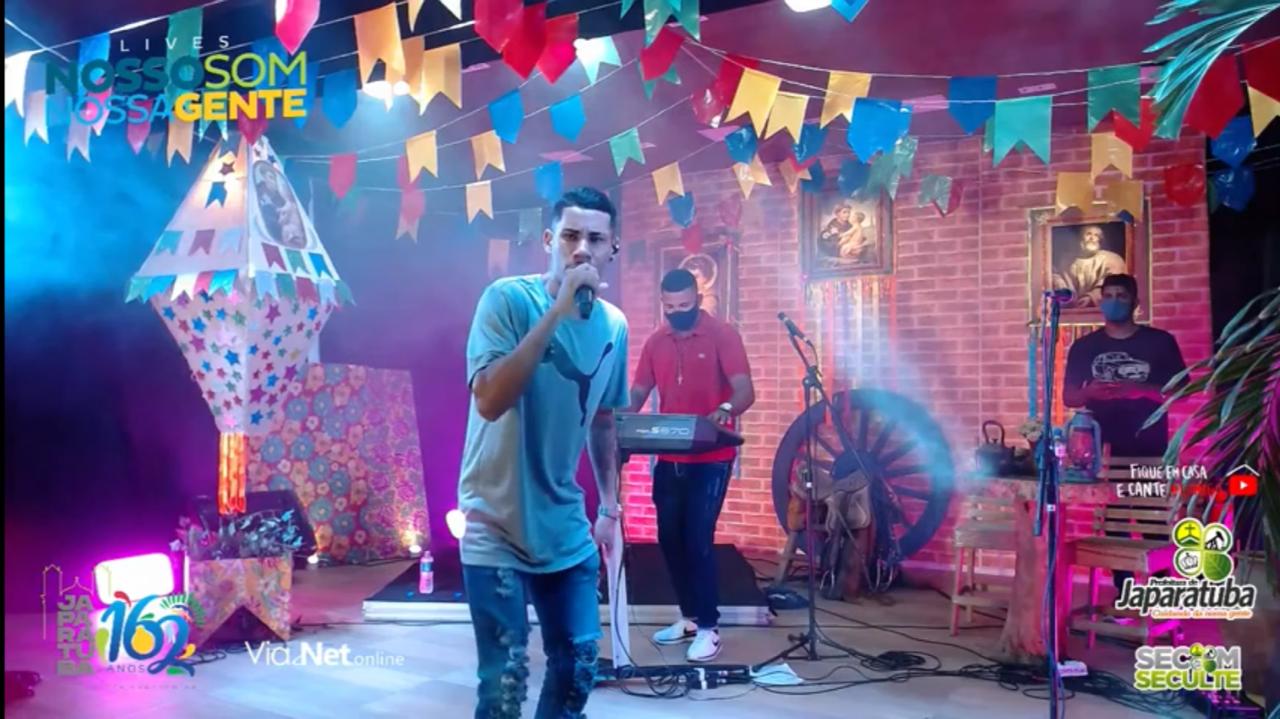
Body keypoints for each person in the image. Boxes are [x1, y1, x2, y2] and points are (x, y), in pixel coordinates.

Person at [457, 187, 628, 719]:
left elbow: (604, 420)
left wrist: (609, 507)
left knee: (578, 668)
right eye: (571, 236)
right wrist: (558, 311)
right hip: (496, 522)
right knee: (504, 685)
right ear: (550, 241)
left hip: (565, 525)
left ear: (612, 249)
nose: (582, 249)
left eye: (595, 238)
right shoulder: (506, 300)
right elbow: (489, 400)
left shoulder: (615, 327)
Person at [628, 269, 755, 662]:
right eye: (669, 307)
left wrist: (725, 408)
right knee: (670, 539)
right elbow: (638, 392)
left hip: (711, 459)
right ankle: (688, 617)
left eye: (684, 305)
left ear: (698, 299)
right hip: (669, 457)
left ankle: (708, 628)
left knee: (698, 539)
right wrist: (617, 418)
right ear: (662, 303)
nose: (676, 312)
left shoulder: (722, 335)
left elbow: (745, 390)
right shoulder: (656, 341)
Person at [1063, 273, 1186, 594]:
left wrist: (1140, 390)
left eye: (1121, 295)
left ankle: (1160, 592)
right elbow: (1069, 398)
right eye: (1108, 296)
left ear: (1135, 302)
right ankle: (1124, 592)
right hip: (1102, 449)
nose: (1114, 302)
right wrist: (1089, 393)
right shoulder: (1084, 347)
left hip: (1149, 446)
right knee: (1114, 522)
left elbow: (1181, 392)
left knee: (1152, 520)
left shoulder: (1160, 342)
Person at [1054, 225, 1127, 308]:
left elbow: (1114, 282)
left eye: (1096, 235)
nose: (1092, 238)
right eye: (1088, 234)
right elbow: (1056, 276)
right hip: (1071, 309)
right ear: (1080, 238)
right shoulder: (1066, 260)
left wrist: (1092, 297)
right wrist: (1065, 293)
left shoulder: (1112, 259)